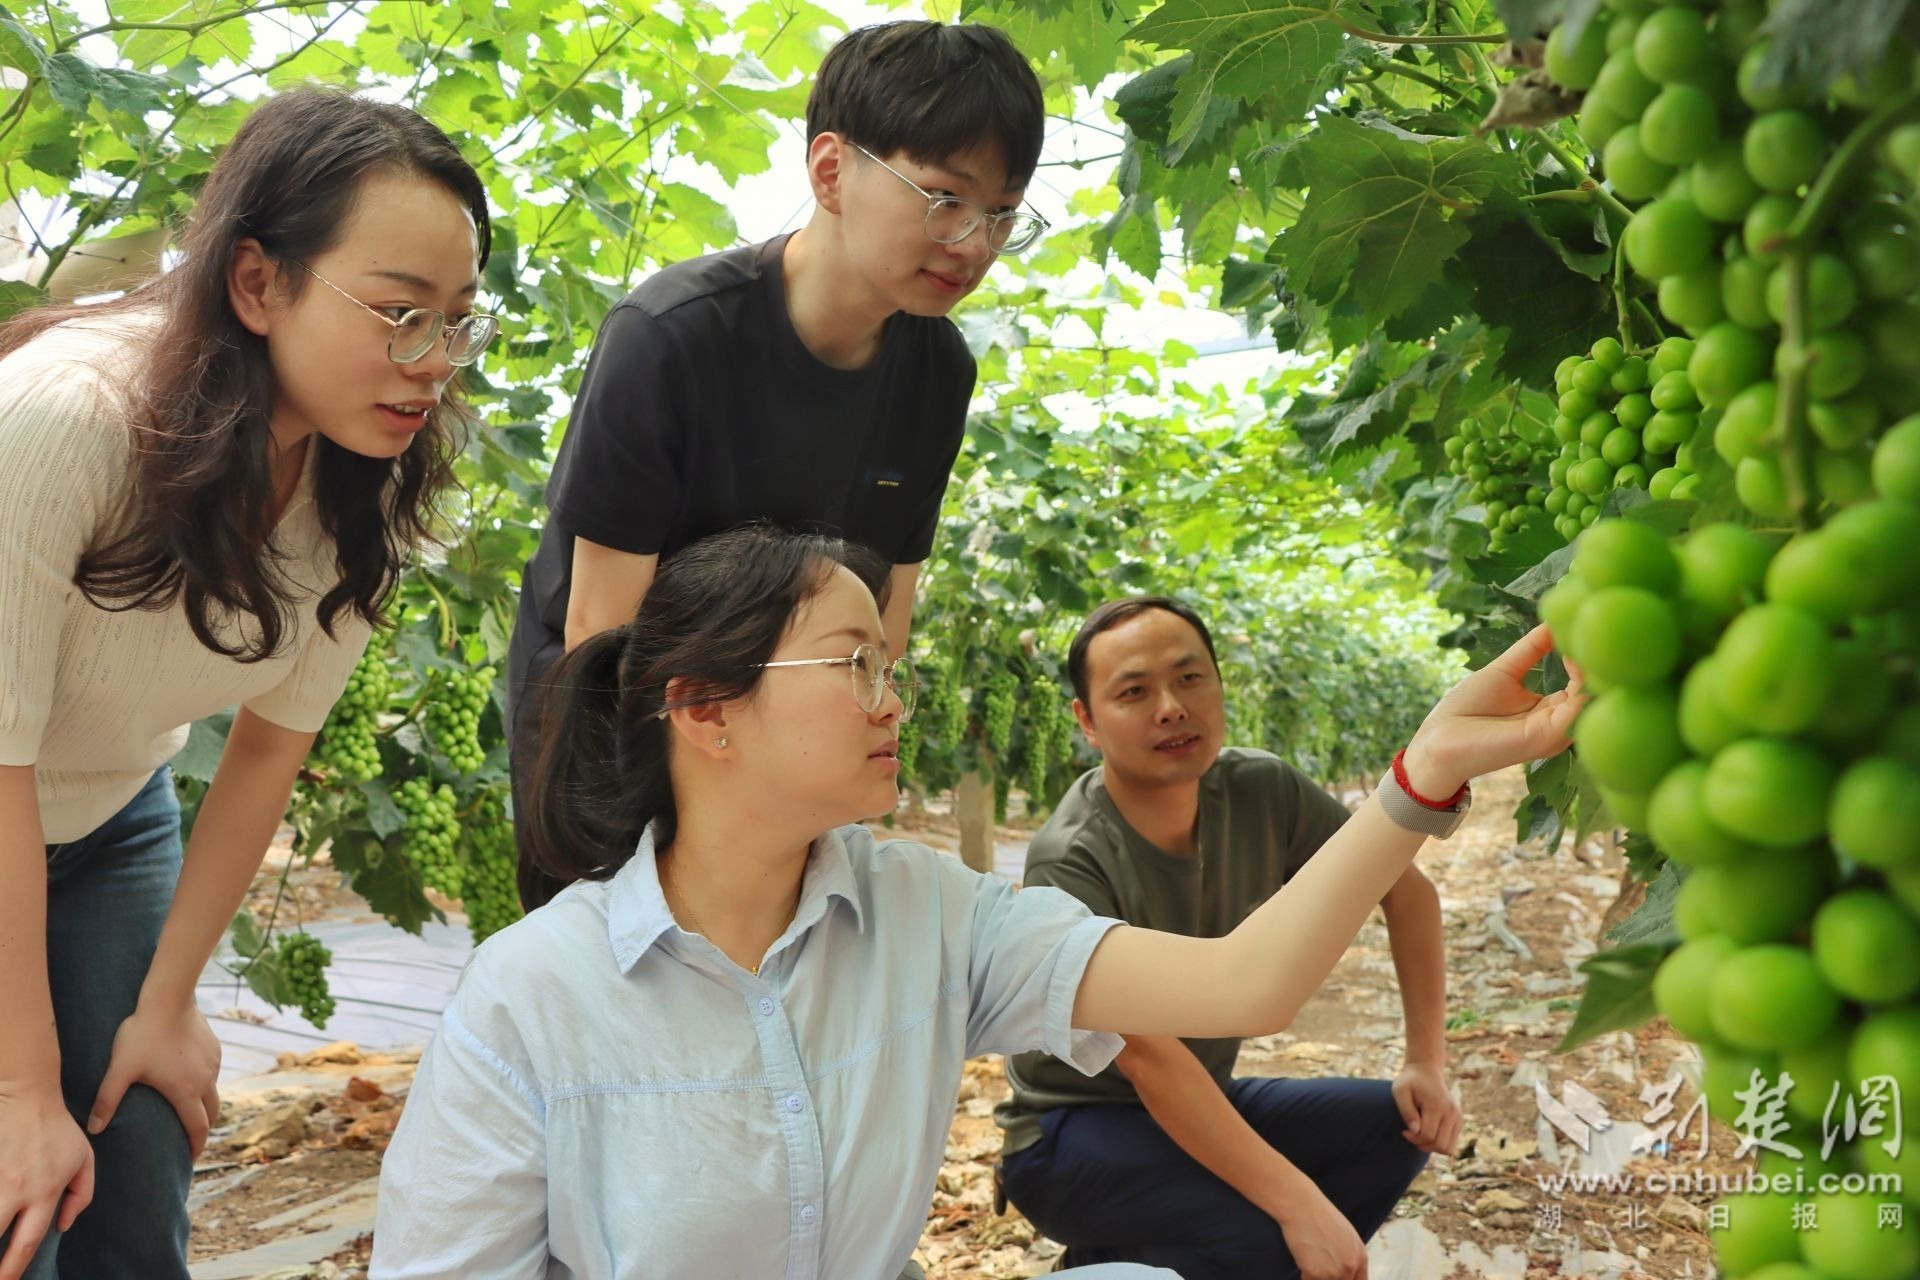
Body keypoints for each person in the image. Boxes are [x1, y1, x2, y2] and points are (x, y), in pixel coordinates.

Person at [372, 524, 1583, 1280]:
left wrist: (1426, 771)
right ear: (705, 710)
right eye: (854, 663)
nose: (892, 698)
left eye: (888, 664)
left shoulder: (923, 908)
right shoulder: (531, 995)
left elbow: (1244, 981)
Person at [0, 89, 494, 1280]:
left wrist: (167, 1002)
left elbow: (272, 744)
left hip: (114, 820)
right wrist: (20, 1085)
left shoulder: (374, 476)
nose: (433, 361)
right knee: (22, 1206)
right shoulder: (66, 421)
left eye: (457, 320)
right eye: (399, 314)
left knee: (139, 1160)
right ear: (259, 282)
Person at [505, 19, 1050, 911]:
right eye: (946, 198)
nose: (973, 244)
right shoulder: (669, 337)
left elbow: (882, 621)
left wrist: (826, 800)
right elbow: (602, 629)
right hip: (616, 731)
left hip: (783, 741)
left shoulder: (938, 370)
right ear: (831, 170)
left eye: (1001, 215)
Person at [993, 598, 1464, 1280]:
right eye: (1134, 692)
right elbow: (1148, 1061)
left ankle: (1141, 1260)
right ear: (1087, 722)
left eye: (1189, 678)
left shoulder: (1262, 790)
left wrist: (1426, 1061)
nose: (1171, 708)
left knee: (1395, 1126)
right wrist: (1299, 1204)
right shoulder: (1071, 858)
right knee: (1265, 1237)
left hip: (1202, 1095)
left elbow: (1406, 889)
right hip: (1070, 1130)